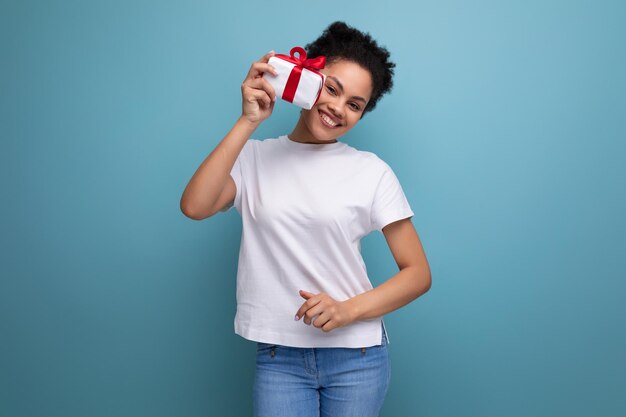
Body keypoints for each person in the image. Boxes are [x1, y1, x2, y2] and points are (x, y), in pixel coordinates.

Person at [180, 21, 431, 417]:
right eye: (332, 89)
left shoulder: (371, 171)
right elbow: (194, 206)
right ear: (308, 77)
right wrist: (248, 121)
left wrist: (347, 310)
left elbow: (417, 273)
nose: (337, 108)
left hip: (358, 356)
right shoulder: (255, 158)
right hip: (281, 356)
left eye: (355, 104)